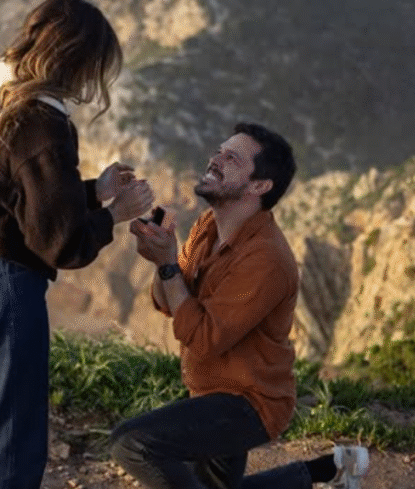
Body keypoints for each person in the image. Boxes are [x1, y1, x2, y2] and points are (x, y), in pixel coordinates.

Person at [0, 0, 155, 489]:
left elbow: (10, 195)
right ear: (76, 61)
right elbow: (62, 243)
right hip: (4, 285)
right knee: (13, 438)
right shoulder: (43, 124)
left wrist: (95, 191)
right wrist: (116, 214)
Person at [110, 122, 370, 489]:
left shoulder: (266, 259)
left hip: (250, 404)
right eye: (218, 151)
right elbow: (166, 301)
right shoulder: (207, 227)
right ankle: (329, 470)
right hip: (211, 390)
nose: (214, 160)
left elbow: (203, 338)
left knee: (132, 444)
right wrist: (162, 261)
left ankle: (330, 471)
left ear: (259, 186)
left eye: (231, 158)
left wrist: (168, 264)